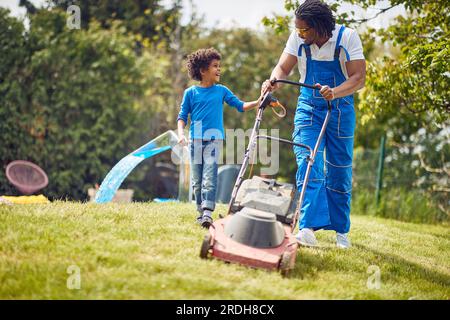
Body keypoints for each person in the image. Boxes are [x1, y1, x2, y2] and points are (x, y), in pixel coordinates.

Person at [261, 0, 366, 248]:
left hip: (340, 110)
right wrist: (273, 80)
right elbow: (283, 67)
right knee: (309, 160)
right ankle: (307, 227)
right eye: (297, 29)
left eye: (304, 30)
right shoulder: (298, 40)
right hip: (308, 108)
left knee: (339, 170)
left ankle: (341, 231)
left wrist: (336, 91)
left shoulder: (347, 38)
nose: (299, 33)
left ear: (319, 27)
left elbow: (359, 78)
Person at [177, 48, 261, 228]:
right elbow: (182, 116)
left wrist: (259, 101)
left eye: (219, 66)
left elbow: (240, 105)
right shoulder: (190, 93)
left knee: (209, 176)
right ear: (202, 70)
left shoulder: (221, 91)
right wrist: (180, 134)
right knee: (197, 181)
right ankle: (201, 212)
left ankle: (208, 212)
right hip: (196, 140)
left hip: (213, 140)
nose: (219, 69)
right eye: (215, 66)